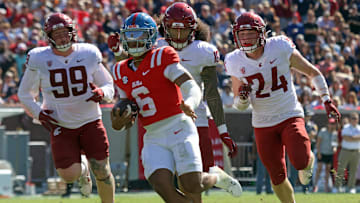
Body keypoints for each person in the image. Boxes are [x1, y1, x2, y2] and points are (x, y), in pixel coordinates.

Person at [110, 12, 242, 203]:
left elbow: (191, 86)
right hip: (153, 134)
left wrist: (189, 103)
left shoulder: (162, 56)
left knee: (191, 185)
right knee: (160, 183)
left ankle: (216, 177)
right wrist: (118, 121)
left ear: (151, 37)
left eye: (139, 35)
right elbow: (125, 111)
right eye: (130, 36)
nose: (134, 41)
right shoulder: (119, 70)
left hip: (178, 127)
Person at [225, 12, 341, 203]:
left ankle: (309, 160)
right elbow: (238, 105)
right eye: (242, 34)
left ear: (262, 33)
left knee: (301, 161)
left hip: (289, 114)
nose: (246, 39)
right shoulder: (234, 60)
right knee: (277, 177)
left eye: (250, 33)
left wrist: (326, 99)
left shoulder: (279, 46)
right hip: (262, 122)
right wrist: (244, 98)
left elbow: (312, 72)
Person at [17, 13, 115, 203]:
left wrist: (102, 93)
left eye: (65, 33)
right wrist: (38, 113)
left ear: (73, 33)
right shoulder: (38, 58)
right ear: (49, 37)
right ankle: (83, 170)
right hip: (60, 123)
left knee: (103, 169)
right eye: (57, 34)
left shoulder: (88, 52)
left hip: (90, 120)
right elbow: (24, 94)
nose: (62, 37)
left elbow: (108, 84)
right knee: (68, 175)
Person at [334, 112, 360, 194]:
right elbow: (345, 138)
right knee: (340, 169)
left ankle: (351, 187)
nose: (354, 120)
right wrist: (356, 138)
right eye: (353, 118)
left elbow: (350, 138)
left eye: (355, 118)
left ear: (358, 119)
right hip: (345, 151)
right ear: (350, 119)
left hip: (356, 151)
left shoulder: (359, 128)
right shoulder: (346, 127)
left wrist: (351, 137)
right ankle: (337, 187)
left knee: (353, 170)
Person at [313, 118, 338, 193]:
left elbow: (335, 144)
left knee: (327, 170)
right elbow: (318, 143)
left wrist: (335, 149)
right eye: (330, 123)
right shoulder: (323, 131)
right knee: (319, 169)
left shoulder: (335, 133)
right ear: (328, 124)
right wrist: (319, 153)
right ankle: (315, 186)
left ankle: (326, 188)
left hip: (329, 154)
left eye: (333, 124)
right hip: (322, 153)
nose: (332, 125)